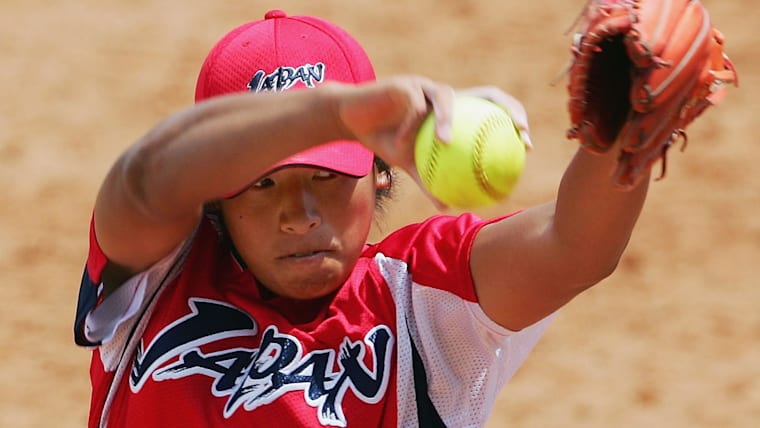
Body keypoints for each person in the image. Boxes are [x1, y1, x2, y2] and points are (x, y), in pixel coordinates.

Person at [73, 9, 650, 428]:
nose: (298, 216)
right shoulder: (154, 279)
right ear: (215, 197)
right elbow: (146, 179)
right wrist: (331, 116)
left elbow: (574, 248)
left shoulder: (419, 298)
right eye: (263, 183)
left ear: (378, 169)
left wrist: (627, 127)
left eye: (326, 175)